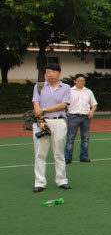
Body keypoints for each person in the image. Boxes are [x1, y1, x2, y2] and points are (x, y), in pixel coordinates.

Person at [31, 63, 71, 193]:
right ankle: (39, 182)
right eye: (48, 72)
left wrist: (43, 109)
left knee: (58, 153)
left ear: (59, 73)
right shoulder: (39, 86)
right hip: (42, 123)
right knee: (40, 153)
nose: (51, 74)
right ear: (45, 74)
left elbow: (62, 105)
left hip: (58, 122)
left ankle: (61, 180)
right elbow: (36, 106)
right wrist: (40, 120)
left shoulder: (66, 87)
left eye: (54, 72)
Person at [64, 74, 97, 164]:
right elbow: (64, 103)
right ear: (74, 81)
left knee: (85, 138)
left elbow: (94, 103)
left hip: (85, 117)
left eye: (83, 81)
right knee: (70, 138)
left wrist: (92, 111)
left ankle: (84, 156)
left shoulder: (88, 92)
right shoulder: (69, 91)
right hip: (73, 116)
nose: (81, 82)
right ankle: (68, 157)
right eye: (79, 81)